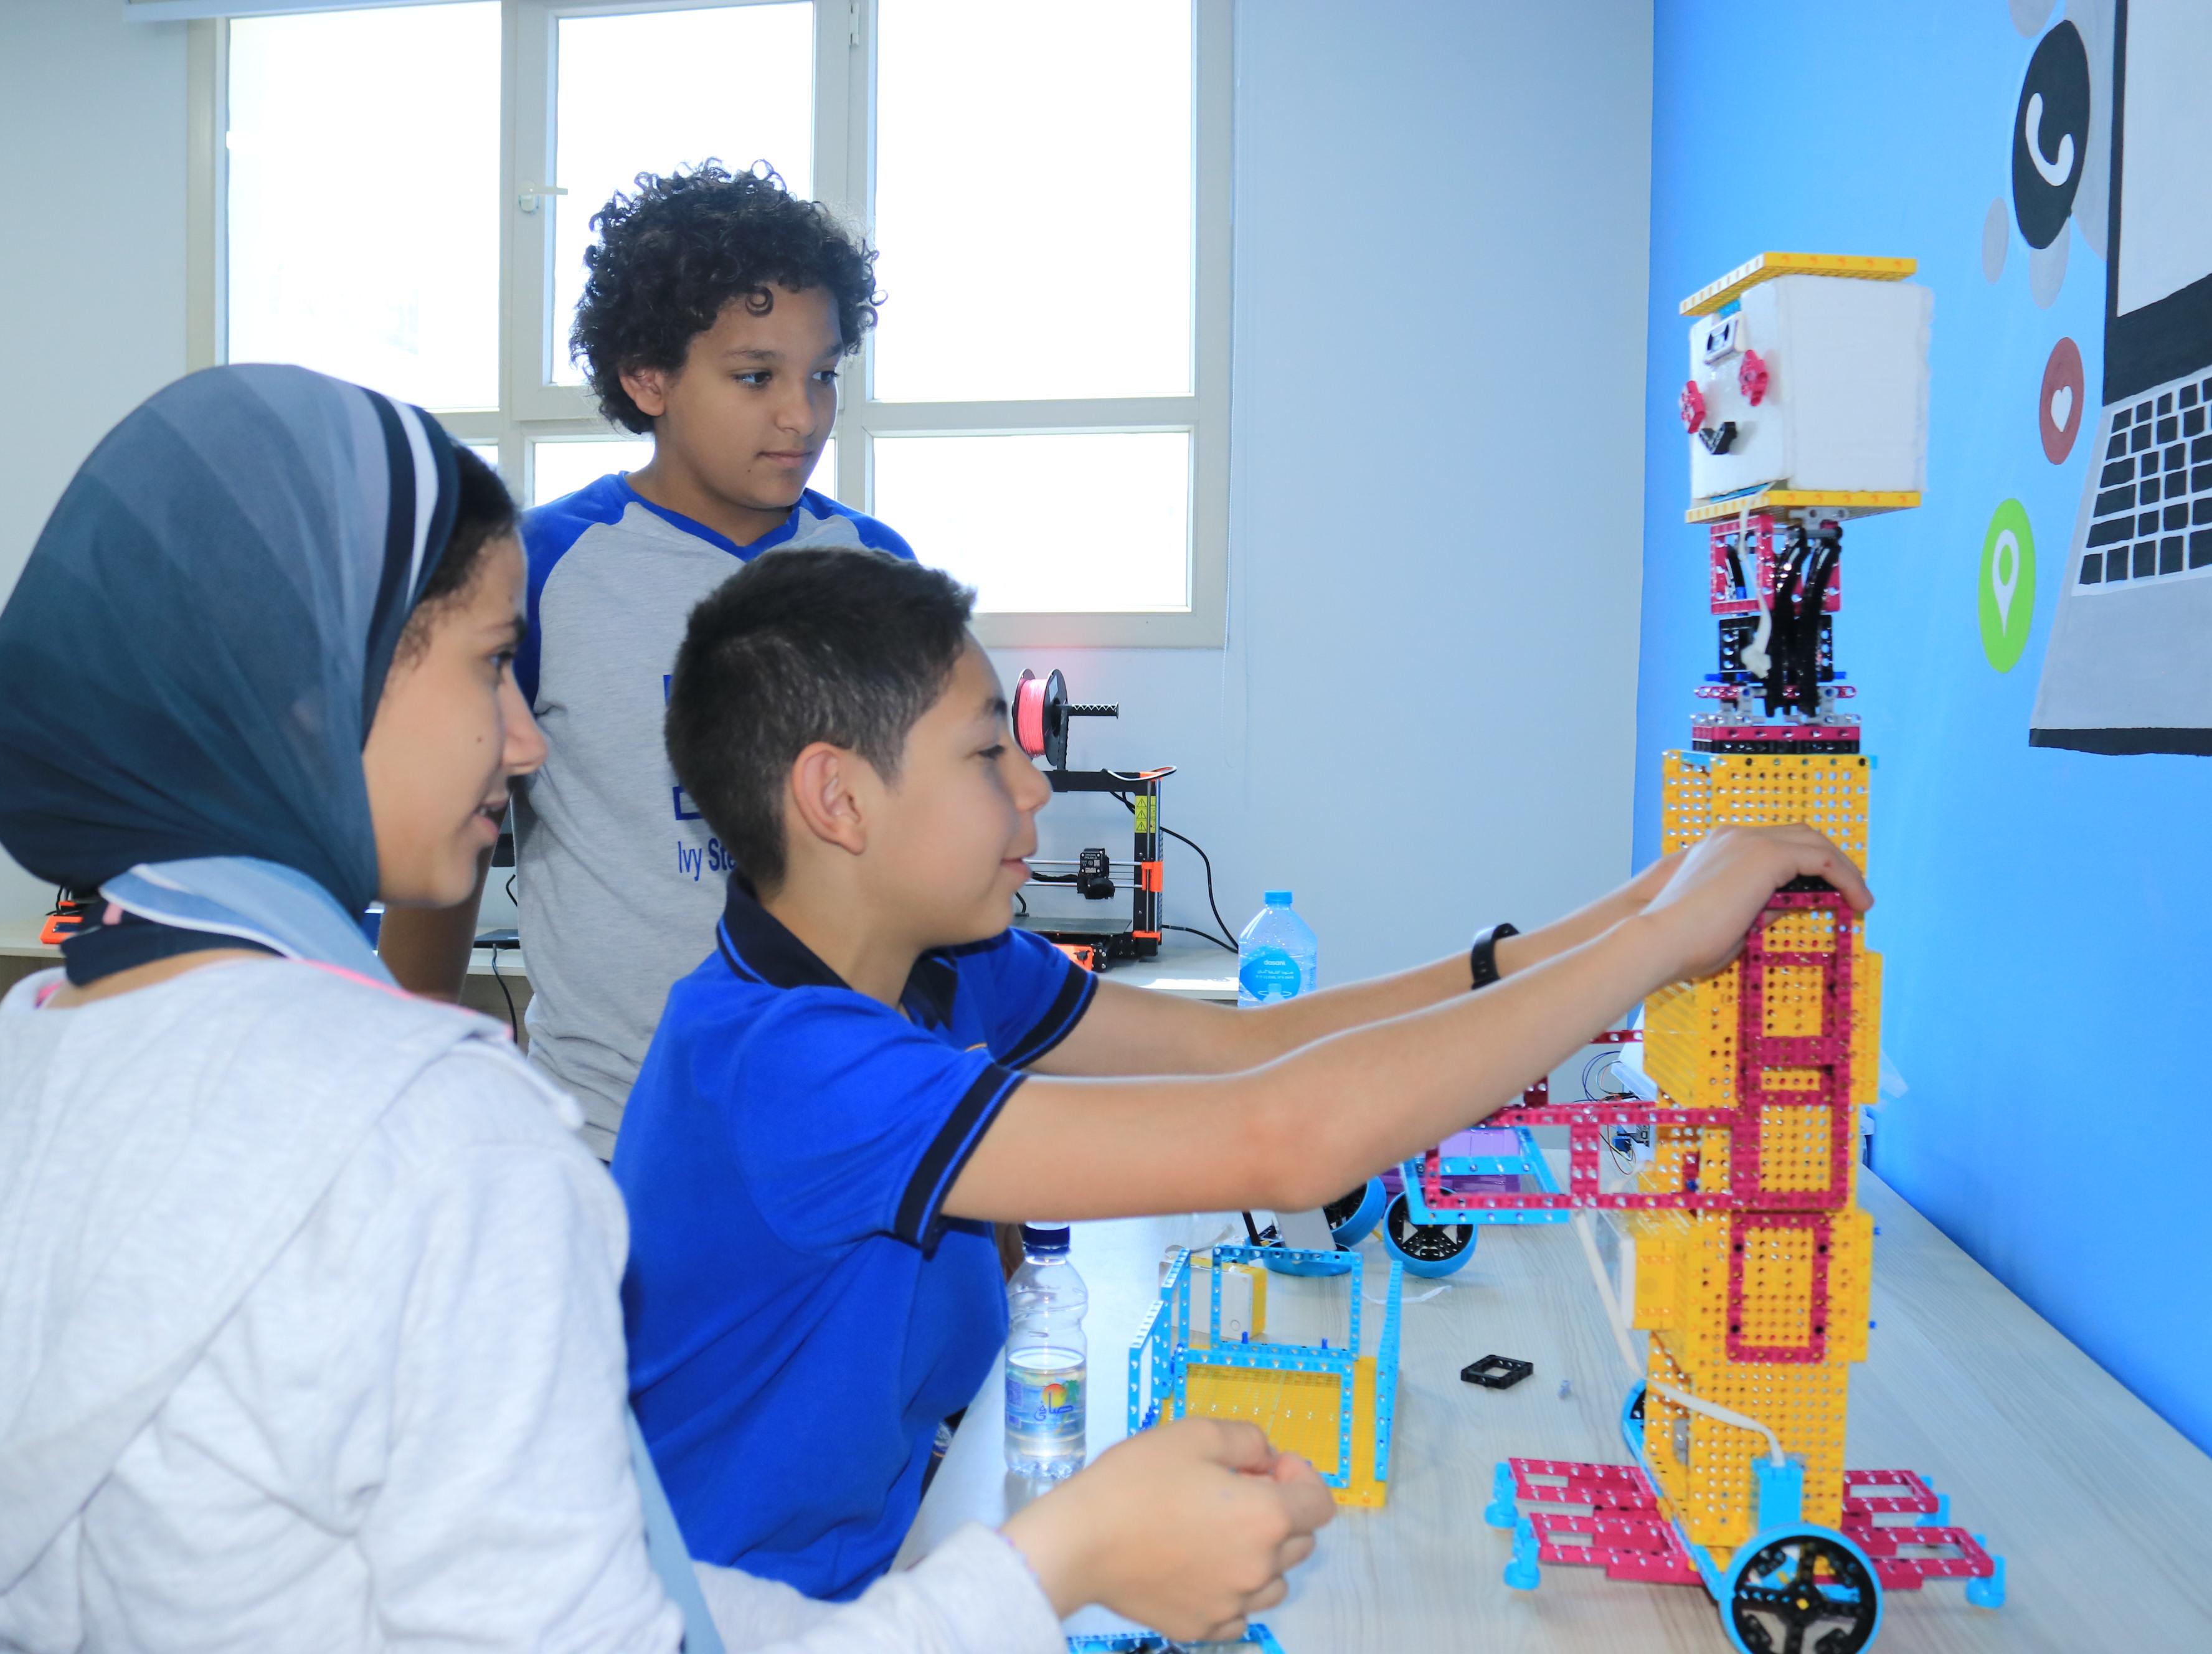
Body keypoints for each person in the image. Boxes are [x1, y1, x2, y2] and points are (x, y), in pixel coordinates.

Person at [0, 367, 1331, 1654]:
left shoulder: (32, 1053)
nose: (531, 738)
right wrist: (1057, 1558)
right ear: (310, 694)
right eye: (491, 664)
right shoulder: (430, 1131)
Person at [615, 547, 1878, 1600]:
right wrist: (1658, 946)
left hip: (899, 1540)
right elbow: (1285, 1137)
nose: (1036, 782)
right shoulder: (784, 1070)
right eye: (985, 753)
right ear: (838, 798)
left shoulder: (942, 963)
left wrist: (1626, 916)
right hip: (753, 1616)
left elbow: (1250, 1046)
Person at [381, 162, 906, 1160]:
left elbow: (929, 864)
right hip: (613, 1146)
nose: (804, 414)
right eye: (756, 376)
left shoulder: (875, 569)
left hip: (851, 1131)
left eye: (824, 373)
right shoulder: (537, 571)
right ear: (647, 376)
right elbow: (439, 854)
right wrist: (395, 1075)